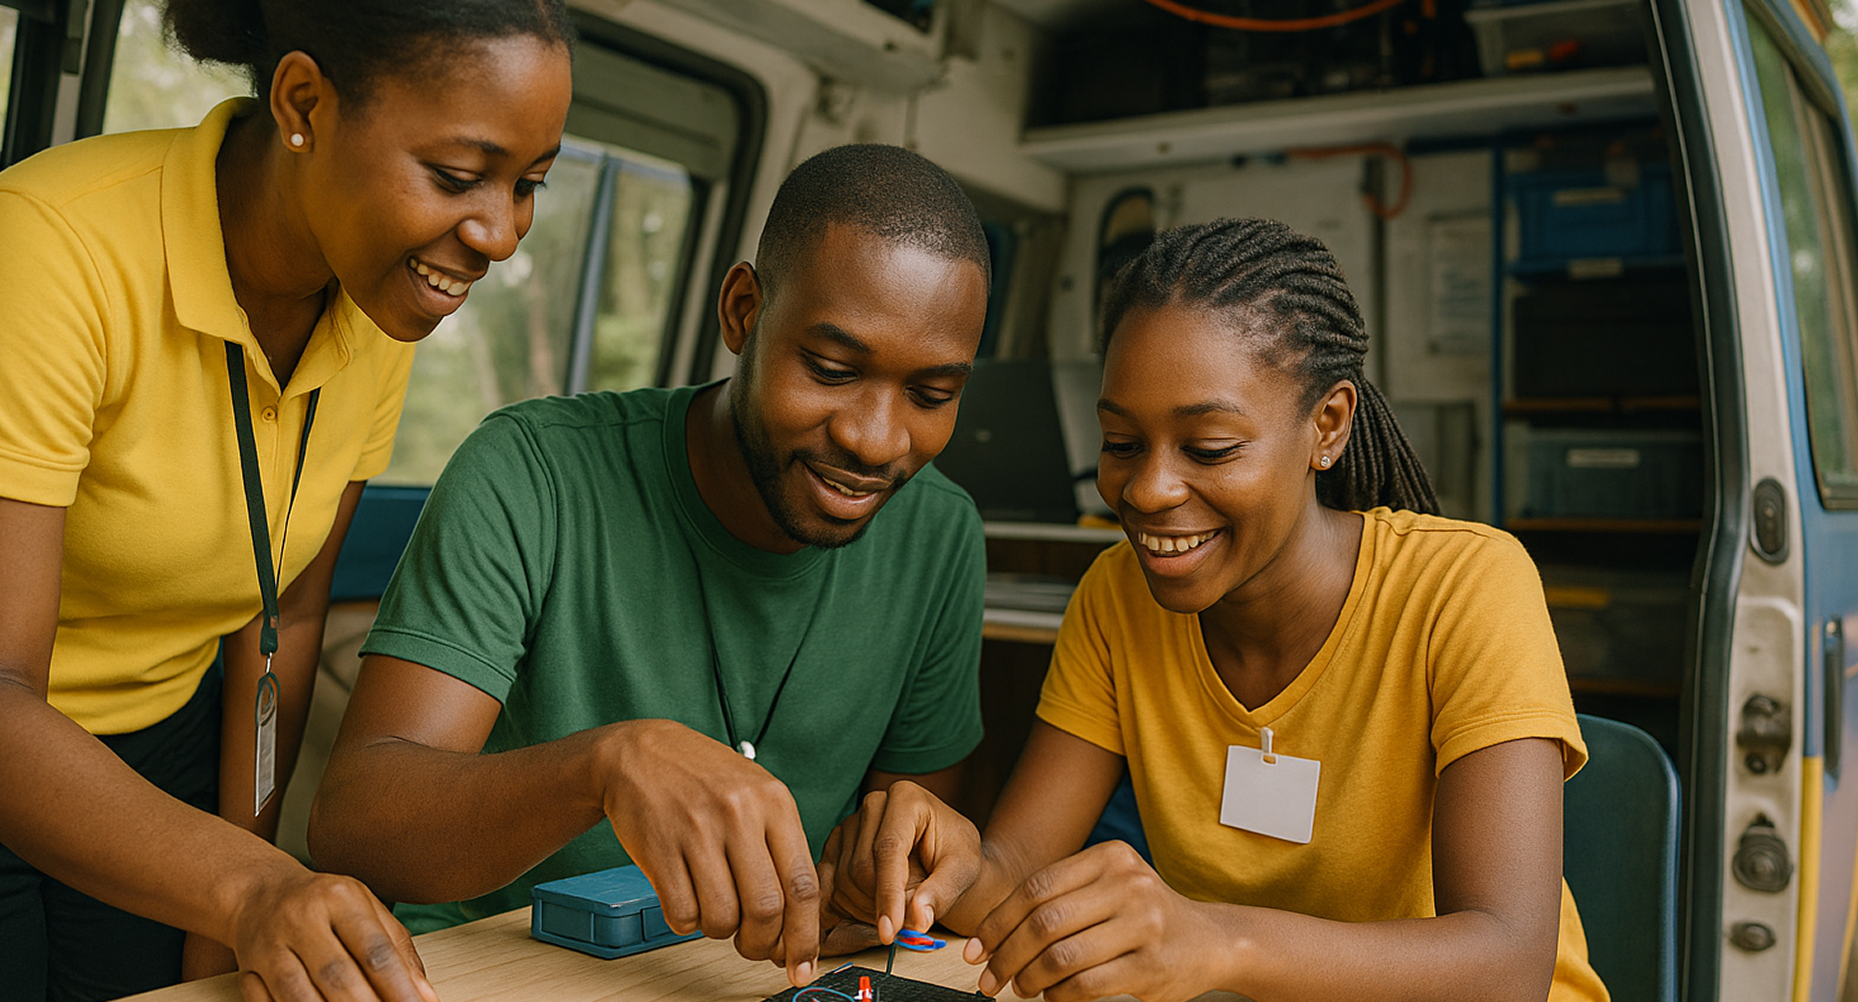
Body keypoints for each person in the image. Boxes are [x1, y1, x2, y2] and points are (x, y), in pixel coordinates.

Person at [818, 218, 1611, 1002]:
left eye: (1209, 449)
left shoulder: (1468, 585)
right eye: (1122, 444)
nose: (1148, 491)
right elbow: (1016, 875)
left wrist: (1214, 939)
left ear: (1326, 425)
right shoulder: (1118, 595)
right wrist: (941, 863)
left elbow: (1508, 965)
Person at [0, 0, 574, 998]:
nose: (500, 233)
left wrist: (235, 892)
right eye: (460, 173)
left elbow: (288, 619)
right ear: (305, 104)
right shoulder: (48, 248)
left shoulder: (380, 297)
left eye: (529, 183)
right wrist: (246, 887)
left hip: (159, 762)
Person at [307, 143, 993, 989]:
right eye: (831, 369)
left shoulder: (943, 537)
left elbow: (894, 866)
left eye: (931, 396)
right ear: (742, 310)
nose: (876, 439)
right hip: (483, 969)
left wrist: (895, 870)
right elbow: (357, 825)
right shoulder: (532, 471)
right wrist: (603, 767)